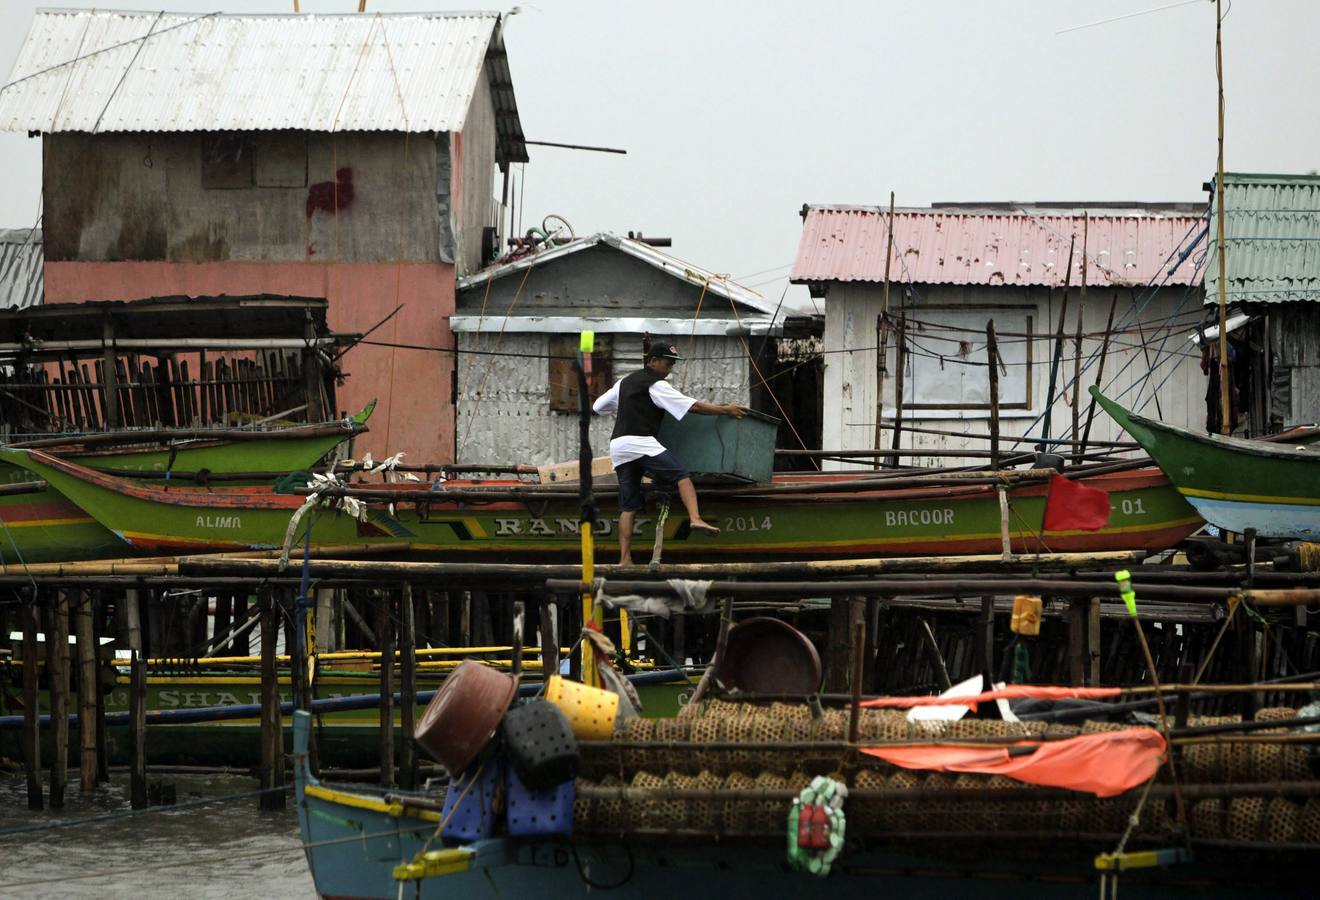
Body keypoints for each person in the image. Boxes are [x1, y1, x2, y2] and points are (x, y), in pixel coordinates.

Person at [592, 340, 748, 565]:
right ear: (654, 361)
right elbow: (693, 406)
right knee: (682, 475)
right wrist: (726, 410)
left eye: (672, 364)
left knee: (628, 506)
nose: (670, 369)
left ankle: (624, 559)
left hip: (618, 446)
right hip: (641, 442)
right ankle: (695, 518)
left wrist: (628, 405)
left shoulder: (624, 383)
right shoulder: (657, 385)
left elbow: (598, 407)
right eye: (667, 364)